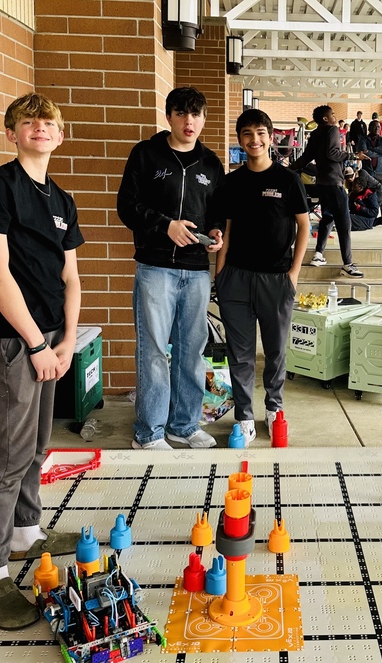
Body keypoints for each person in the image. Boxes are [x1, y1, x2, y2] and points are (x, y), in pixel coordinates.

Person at [0, 93, 84, 630]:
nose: (40, 128)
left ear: (61, 136)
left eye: (50, 123)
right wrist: (36, 344)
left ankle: (24, 533)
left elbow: (71, 278)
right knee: (8, 452)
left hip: (52, 337)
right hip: (15, 339)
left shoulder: (61, 198)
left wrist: (66, 340)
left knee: (37, 443)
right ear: (12, 133)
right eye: (29, 121)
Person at [117, 87, 224, 451]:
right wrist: (166, 225)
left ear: (204, 119)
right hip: (155, 268)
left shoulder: (211, 163)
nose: (188, 121)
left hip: (196, 270)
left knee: (191, 353)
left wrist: (214, 232)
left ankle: (184, 425)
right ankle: (149, 433)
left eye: (195, 115)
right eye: (181, 114)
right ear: (169, 117)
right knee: (154, 352)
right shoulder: (146, 155)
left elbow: (215, 214)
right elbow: (126, 206)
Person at [214, 110, 309, 446]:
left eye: (260, 133)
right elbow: (227, 228)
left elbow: (304, 227)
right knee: (239, 353)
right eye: (246, 134)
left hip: (276, 280)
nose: (254, 140)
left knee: (275, 351)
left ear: (270, 136)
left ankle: (273, 406)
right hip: (236, 279)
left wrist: (293, 275)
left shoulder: (288, 180)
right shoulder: (232, 182)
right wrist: (220, 273)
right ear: (239, 139)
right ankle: (243, 415)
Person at [290, 105, 364, 277]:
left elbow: (305, 158)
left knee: (328, 217)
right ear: (325, 118)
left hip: (322, 184)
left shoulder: (315, 134)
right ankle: (348, 264)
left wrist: (287, 170)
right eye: (332, 114)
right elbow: (333, 153)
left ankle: (318, 254)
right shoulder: (333, 130)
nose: (334, 116)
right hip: (334, 183)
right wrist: (351, 155)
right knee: (344, 224)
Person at [359, 120, 382, 216]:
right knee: (368, 193)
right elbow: (364, 152)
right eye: (374, 126)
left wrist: (371, 150)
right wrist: (379, 152)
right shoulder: (363, 139)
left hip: (381, 171)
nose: (377, 129)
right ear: (369, 128)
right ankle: (369, 213)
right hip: (368, 171)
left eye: (378, 127)